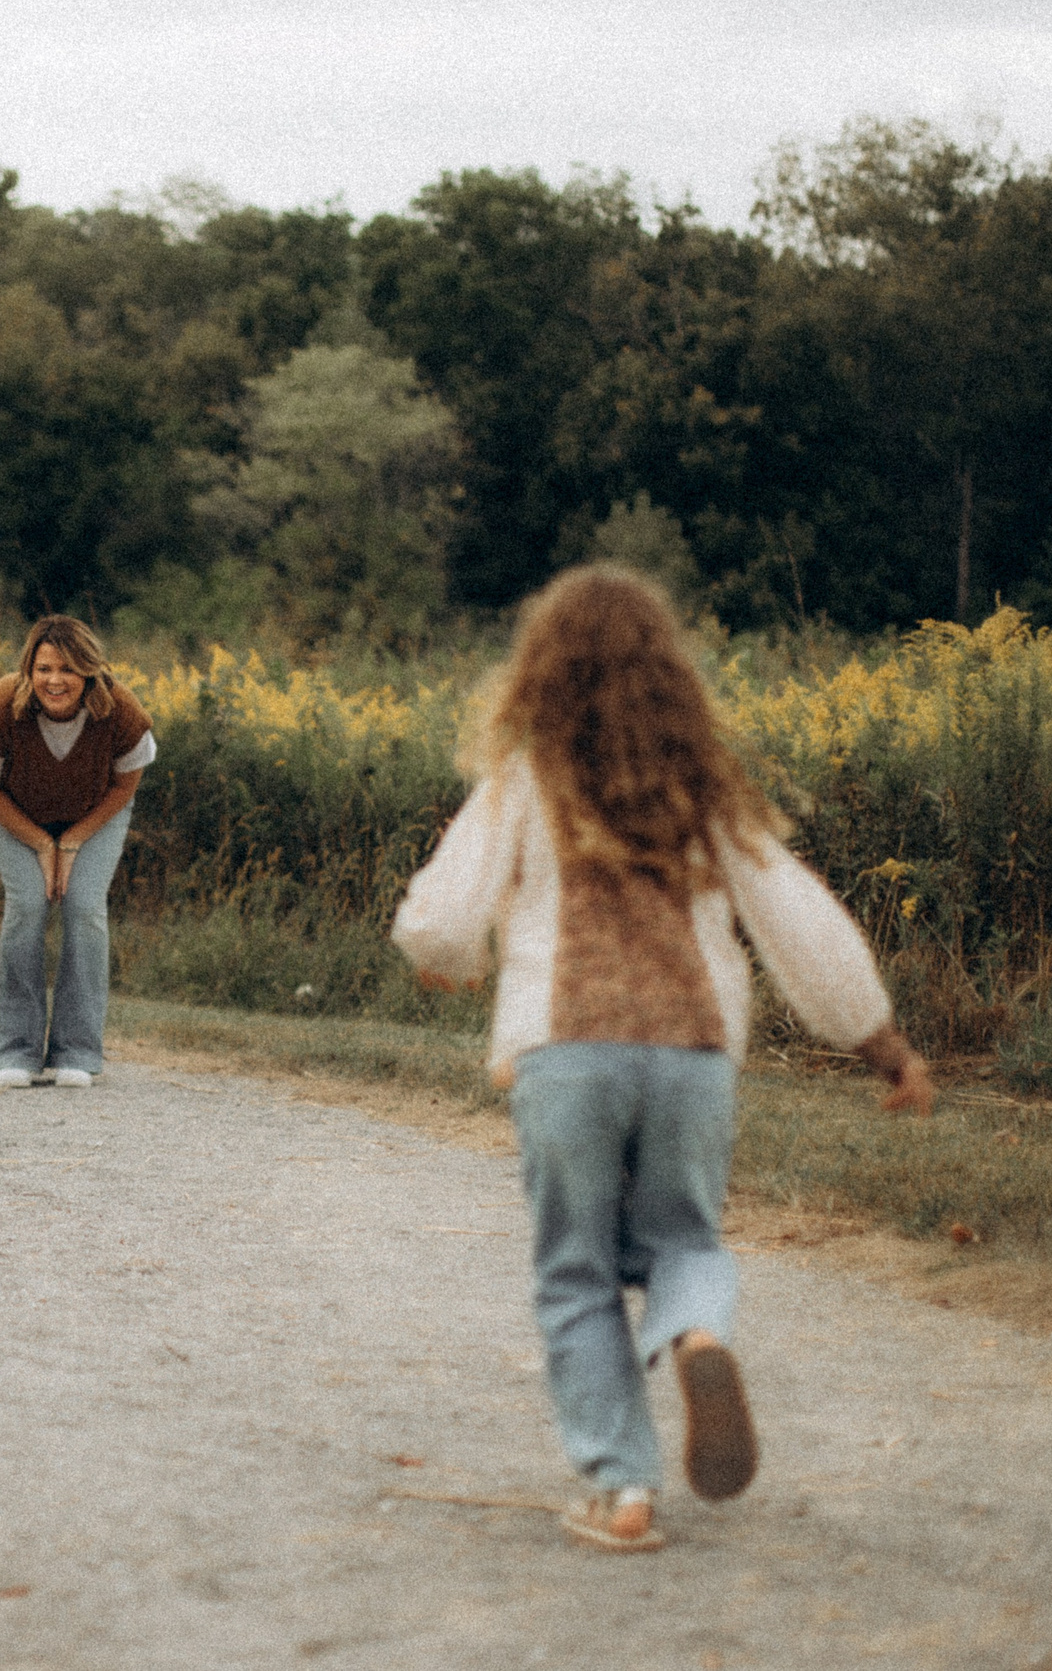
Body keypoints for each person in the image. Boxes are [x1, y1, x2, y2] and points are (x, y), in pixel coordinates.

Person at [392, 565, 934, 1555]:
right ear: (666, 671)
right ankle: (696, 1335)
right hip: (690, 1060)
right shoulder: (704, 790)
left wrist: (453, 961)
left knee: (577, 1274)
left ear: (540, 669)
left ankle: (621, 1489)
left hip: (567, 1060)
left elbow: (441, 913)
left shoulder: (524, 778)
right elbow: (795, 919)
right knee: (685, 1240)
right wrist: (879, 1042)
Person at [0, 615, 156, 1090]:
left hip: (95, 814)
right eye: (44, 668)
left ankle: (78, 1050)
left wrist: (70, 842)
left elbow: (125, 785)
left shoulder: (121, 709)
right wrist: (40, 843)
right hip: (13, 812)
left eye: (68, 669)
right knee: (27, 905)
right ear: (29, 668)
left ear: (89, 671)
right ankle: (16, 1050)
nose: (55, 680)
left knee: (84, 907)